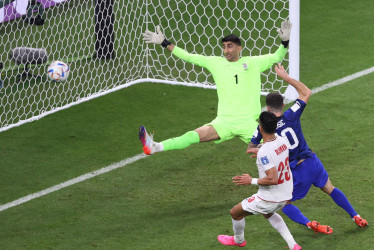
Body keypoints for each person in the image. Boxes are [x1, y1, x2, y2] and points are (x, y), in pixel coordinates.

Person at [139, 20, 292, 155]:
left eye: (230, 46)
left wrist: (284, 43)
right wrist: (165, 42)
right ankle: (155, 147)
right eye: (224, 47)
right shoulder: (215, 63)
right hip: (224, 122)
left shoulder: (253, 62)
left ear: (239, 48)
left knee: (281, 149)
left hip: (248, 123)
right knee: (193, 135)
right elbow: (189, 56)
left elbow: (276, 57)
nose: (226, 50)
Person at [248, 64, 368, 234]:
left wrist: (259, 148)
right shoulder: (291, 114)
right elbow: (306, 92)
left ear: (267, 108)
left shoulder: (263, 126)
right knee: (330, 189)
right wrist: (286, 78)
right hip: (311, 161)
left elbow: (251, 147)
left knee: (285, 204)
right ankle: (355, 216)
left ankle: (309, 223)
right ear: (283, 104)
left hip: (295, 171)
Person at [217, 111, 302, 250]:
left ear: (260, 128)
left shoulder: (265, 152)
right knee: (268, 213)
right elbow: (275, 153)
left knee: (235, 213)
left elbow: (273, 178)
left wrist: (250, 180)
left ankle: (239, 241)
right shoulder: (281, 140)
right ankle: (293, 245)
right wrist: (261, 150)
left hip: (270, 197)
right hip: (286, 192)